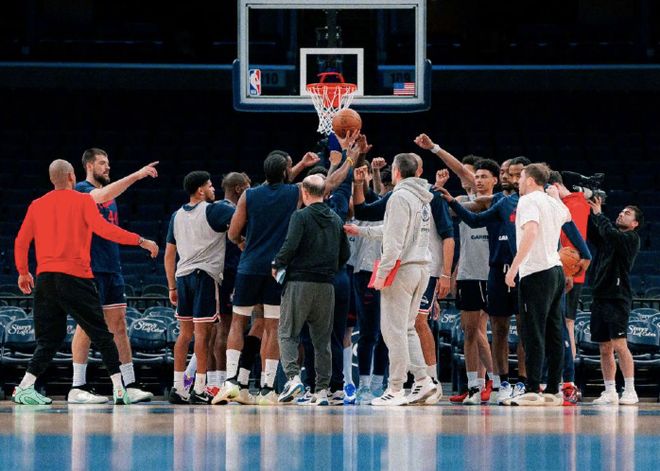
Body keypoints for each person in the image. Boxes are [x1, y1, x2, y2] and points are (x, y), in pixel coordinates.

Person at [12, 159, 158, 405]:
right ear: (72, 176)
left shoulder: (37, 204)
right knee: (101, 334)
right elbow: (105, 230)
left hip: (45, 279)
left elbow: (21, 241)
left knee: (49, 339)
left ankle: (24, 387)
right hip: (76, 277)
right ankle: (119, 389)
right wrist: (140, 241)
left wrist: (23, 272)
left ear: (52, 179)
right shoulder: (82, 200)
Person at [212, 149, 321, 405]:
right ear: (285, 171)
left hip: (249, 266)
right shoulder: (295, 192)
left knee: (238, 322)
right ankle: (268, 388)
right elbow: (324, 186)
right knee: (273, 327)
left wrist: (243, 243)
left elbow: (232, 233)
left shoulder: (249, 195)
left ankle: (231, 382)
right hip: (277, 268)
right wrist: (346, 160)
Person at [345, 153, 438, 406]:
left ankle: (395, 388)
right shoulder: (422, 197)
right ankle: (423, 380)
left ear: (396, 171)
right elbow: (393, 229)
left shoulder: (399, 197)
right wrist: (361, 230)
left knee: (393, 331)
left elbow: (394, 243)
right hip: (421, 268)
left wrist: (381, 275)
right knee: (406, 328)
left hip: (402, 270)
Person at [69, 148, 158, 404]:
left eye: (108, 162)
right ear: (89, 166)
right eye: (101, 163)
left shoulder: (109, 195)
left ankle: (129, 384)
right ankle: (77, 386)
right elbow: (102, 195)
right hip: (89, 268)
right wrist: (137, 175)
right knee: (86, 325)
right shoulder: (82, 190)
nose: (107, 167)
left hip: (111, 267)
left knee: (119, 325)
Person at [274, 174, 350, 405]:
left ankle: (293, 378)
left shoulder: (300, 216)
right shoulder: (336, 219)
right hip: (327, 285)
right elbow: (345, 253)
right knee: (323, 341)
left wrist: (277, 263)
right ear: (324, 192)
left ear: (304, 192)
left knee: (288, 333)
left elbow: (290, 245)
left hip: (300, 283)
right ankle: (322, 391)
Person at [503, 163, 574, 406]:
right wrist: (555, 197)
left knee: (532, 332)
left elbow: (531, 232)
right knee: (554, 332)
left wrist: (514, 268)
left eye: (521, 177)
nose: (518, 181)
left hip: (535, 272)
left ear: (531, 180)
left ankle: (533, 389)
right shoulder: (551, 201)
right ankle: (553, 389)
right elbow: (568, 215)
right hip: (555, 270)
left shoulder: (528, 200)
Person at [164, 171, 235, 404]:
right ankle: (200, 388)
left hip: (182, 277)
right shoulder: (213, 210)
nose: (214, 189)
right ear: (200, 190)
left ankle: (179, 387)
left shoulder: (176, 216)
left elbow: (169, 255)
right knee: (203, 335)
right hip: (204, 276)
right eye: (210, 186)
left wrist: (171, 287)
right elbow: (243, 217)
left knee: (185, 334)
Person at [587, 199, 643, 405]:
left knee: (620, 344)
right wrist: (587, 209)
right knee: (604, 347)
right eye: (621, 211)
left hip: (617, 297)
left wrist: (599, 213)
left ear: (635, 223)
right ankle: (610, 391)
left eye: (627, 213)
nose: (621, 213)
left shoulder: (631, 238)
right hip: (600, 296)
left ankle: (630, 390)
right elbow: (593, 233)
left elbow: (610, 234)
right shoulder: (609, 237)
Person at [548, 170, 591, 403]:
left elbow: (574, 239)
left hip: (569, 272)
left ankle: (568, 380)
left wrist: (570, 272)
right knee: (561, 325)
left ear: (555, 186)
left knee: (566, 325)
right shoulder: (575, 202)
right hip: (563, 270)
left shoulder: (573, 204)